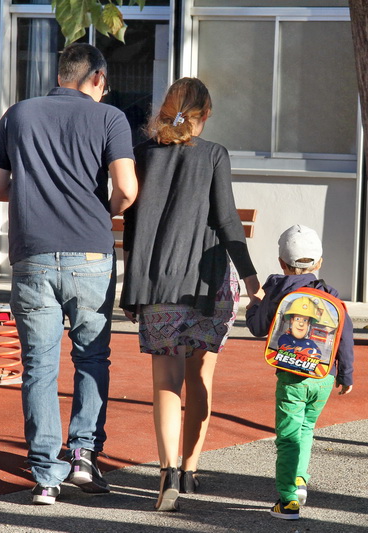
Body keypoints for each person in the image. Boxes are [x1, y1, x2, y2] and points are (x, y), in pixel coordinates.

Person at [0, 43, 138, 505]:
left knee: (39, 367)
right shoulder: (110, 118)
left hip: (32, 254)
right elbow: (127, 188)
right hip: (90, 255)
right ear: (96, 78)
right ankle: (85, 456)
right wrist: (99, 211)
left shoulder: (19, 114)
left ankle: (47, 475)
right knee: (92, 358)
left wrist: (35, 197)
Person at [119, 77, 263, 512]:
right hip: (206, 283)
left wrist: (133, 288)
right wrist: (251, 277)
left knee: (165, 381)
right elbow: (227, 221)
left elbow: (132, 224)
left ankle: (165, 475)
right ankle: (191, 468)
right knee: (201, 376)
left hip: (157, 284)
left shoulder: (142, 153)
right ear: (204, 117)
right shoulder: (214, 155)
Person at [246, 224, 355, 520]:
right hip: (323, 376)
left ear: (282, 263)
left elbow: (258, 328)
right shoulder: (329, 294)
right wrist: (346, 374)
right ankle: (299, 480)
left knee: (288, 437)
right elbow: (345, 333)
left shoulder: (277, 290)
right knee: (306, 430)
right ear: (319, 263)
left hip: (292, 377)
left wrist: (254, 304)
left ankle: (288, 501)